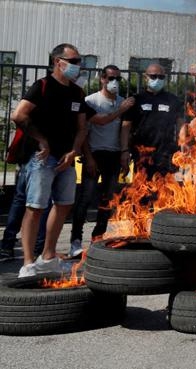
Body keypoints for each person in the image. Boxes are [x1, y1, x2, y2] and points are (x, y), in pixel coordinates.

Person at [10, 43, 89, 277]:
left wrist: (74, 151)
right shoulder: (42, 86)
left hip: (66, 158)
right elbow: (19, 114)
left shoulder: (77, 92)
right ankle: (27, 263)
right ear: (58, 61)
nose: (77, 66)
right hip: (42, 158)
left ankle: (48, 257)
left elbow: (82, 128)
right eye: (73, 61)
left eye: (79, 62)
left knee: (64, 204)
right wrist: (42, 140)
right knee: (35, 207)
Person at [68, 65, 135, 257]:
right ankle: (75, 240)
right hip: (94, 153)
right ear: (102, 79)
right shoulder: (91, 101)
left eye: (117, 79)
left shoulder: (123, 103)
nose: (113, 82)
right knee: (85, 198)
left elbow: (125, 130)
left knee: (108, 199)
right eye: (109, 78)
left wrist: (124, 152)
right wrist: (88, 157)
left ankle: (98, 237)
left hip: (114, 156)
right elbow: (89, 129)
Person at [121, 64, 184, 179]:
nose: (157, 80)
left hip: (165, 154)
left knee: (164, 192)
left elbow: (181, 127)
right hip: (141, 153)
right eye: (153, 76)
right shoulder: (136, 99)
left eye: (161, 77)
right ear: (146, 77)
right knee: (140, 190)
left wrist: (182, 148)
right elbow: (126, 127)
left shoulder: (173, 100)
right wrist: (124, 150)